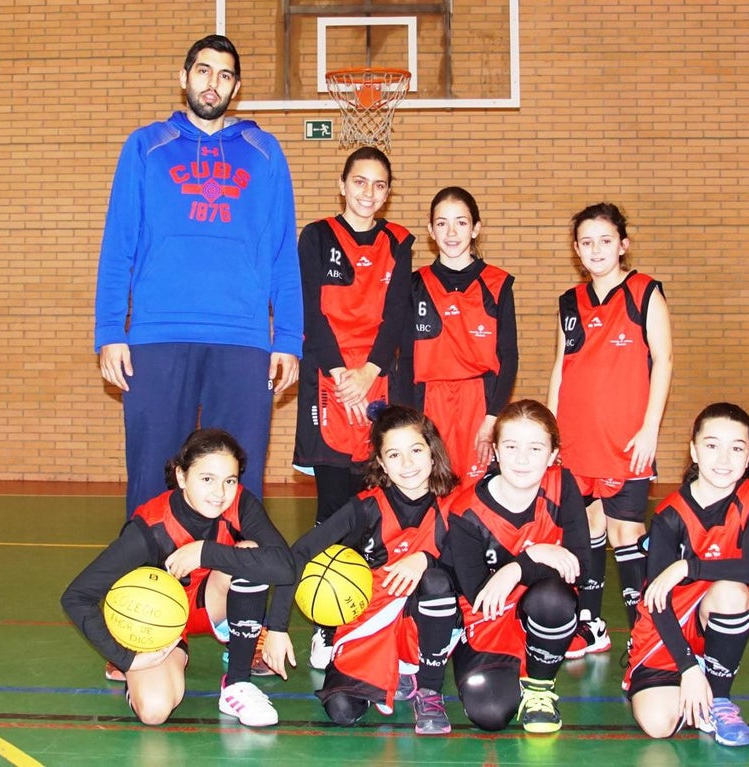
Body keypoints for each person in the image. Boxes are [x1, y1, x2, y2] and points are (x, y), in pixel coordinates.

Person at [94, 34, 302, 518]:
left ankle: (235, 579)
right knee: (153, 472)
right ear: (184, 77)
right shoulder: (145, 146)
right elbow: (118, 244)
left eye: (224, 75)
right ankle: (146, 582)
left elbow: (281, 255)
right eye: (204, 71)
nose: (213, 84)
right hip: (157, 334)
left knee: (237, 475)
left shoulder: (265, 151)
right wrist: (110, 331)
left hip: (244, 338)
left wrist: (288, 338)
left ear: (236, 88)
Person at [60, 429, 295, 727]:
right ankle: (137, 671)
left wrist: (204, 553)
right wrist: (125, 657)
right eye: (207, 479)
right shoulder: (150, 531)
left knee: (252, 554)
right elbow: (77, 596)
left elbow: (284, 565)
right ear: (182, 476)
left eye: (230, 481)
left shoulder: (240, 505)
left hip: (208, 600)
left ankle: (237, 683)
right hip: (157, 623)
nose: (219, 493)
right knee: (155, 712)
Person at [266, 406, 459, 734]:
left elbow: (475, 570)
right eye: (394, 455)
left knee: (436, 580)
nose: (408, 464)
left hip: (423, 619)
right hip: (373, 616)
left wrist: (426, 559)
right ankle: (389, 670)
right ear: (382, 463)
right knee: (342, 710)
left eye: (416, 450)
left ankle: (427, 687)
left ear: (432, 451)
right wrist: (276, 626)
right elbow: (299, 552)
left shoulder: (458, 503)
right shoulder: (364, 508)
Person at [292, 147, 414, 667]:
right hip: (329, 380)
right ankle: (326, 621)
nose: (368, 192)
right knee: (332, 508)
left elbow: (398, 314)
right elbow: (308, 309)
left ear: (388, 193)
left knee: (379, 511)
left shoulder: (399, 242)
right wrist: (342, 371)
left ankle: (369, 616)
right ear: (342, 186)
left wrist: (371, 372)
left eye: (379, 185)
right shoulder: (316, 237)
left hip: (378, 381)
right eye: (359, 182)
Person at [546, 202, 673, 659]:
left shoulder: (644, 292)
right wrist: (551, 437)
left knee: (625, 531)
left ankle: (646, 636)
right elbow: (561, 369)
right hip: (577, 442)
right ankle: (591, 624)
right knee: (587, 529)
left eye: (605, 240)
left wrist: (650, 430)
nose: (595, 249)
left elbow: (664, 361)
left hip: (626, 440)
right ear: (576, 250)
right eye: (586, 242)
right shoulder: (570, 303)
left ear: (623, 244)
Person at [623, 402, 749, 748]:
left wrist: (689, 566)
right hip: (667, 630)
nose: (724, 459)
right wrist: (688, 668)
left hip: (709, 621)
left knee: (733, 593)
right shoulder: (668, 516)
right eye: (711, 445)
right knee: (658, 725)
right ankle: (693, 675)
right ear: (693, 450)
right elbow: (657, 604)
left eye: (737, 448)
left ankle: (719, 699)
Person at [446, 399, 591, 734]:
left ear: (553, 455)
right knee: (491, 715)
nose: (522, 459)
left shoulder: (562, 486)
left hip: (540, 610)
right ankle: (503, 660)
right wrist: (538, 557)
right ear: (495, 450)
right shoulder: (466, 511)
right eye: (511, 446)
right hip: (489, 619)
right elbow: (478, 591)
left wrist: (519, 567)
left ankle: (540, 687)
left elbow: (581, 566)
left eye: (536, 448)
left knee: (554, 598)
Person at [395, 187, 518, 485]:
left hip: (479, 402)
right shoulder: (413, 285)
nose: (451, 232)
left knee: (480, 495)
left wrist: (492, 417)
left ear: (476, 228)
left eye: (461, 222)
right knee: (433, 490)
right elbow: (406, 359)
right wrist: (412, 421)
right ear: (430, 231)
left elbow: (509, 357)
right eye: (442, 223)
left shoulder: (497, 283)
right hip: (429, 403)